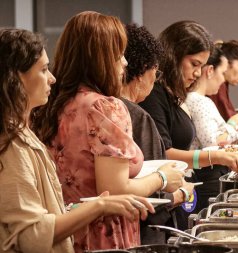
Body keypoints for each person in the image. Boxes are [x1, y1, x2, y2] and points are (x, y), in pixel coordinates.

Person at [31, 12, 183, 251]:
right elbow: (115, 190)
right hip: (104, 234)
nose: (124, 63)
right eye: (118, 54)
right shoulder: (105, 107)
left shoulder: (51, 105)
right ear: (100, 58)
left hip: (65, 230)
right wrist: (162, 178)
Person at [0, 28, 154, 253]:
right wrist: (100, 205)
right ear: (16, 78)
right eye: (43, 70)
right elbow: (31, 236)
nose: (51, 78)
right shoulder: (11, 146)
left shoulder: (24, 132)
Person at [139, 21, 238, 230]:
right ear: (174, 55)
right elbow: (162, 153)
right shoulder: (155, 93)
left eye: (202, 66)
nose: (199, 73)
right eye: (194, 64)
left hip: (180, 191)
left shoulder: (176, 94)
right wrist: (215, 156)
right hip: (161, 199)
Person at [121, 23, 194, 244]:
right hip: (141, 233)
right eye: (156, 70)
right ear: (144, 69)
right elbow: (151, 199)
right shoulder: (134, 114)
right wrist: (180, 194)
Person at [184, 44, 238, 210]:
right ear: (210, 71)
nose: (223, 80)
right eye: (222, 73)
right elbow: (212, 143)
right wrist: (234, 122)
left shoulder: (201, 100)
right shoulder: (198, 100)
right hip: (207, 175)